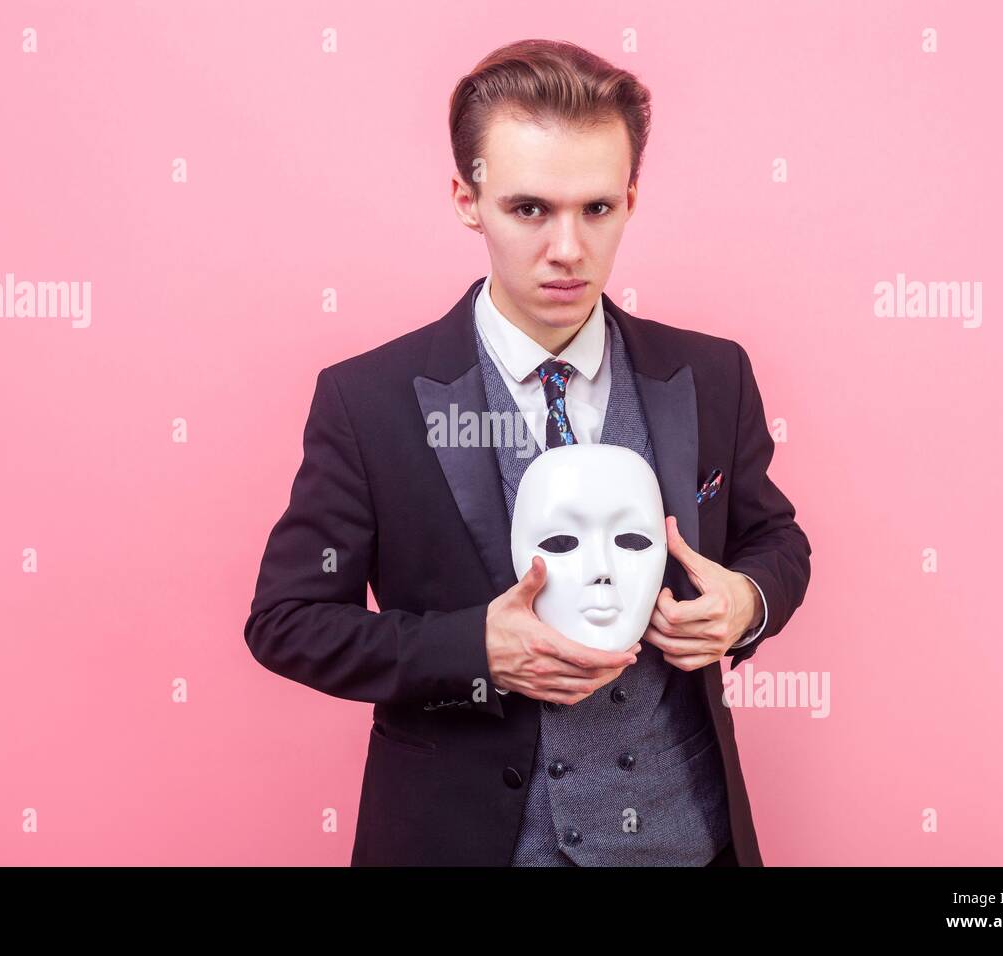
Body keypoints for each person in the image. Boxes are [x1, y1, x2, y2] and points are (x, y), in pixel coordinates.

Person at [244, 38, 811, 866]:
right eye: (530, 209)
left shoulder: (711, 373)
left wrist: (746, 603)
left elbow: (777, 542)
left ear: (631, 198)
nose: (569, 250)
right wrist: (475, 650)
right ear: (467, 199)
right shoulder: (367, 400)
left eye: (598, 209)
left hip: (689, 840)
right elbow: (286, 622)